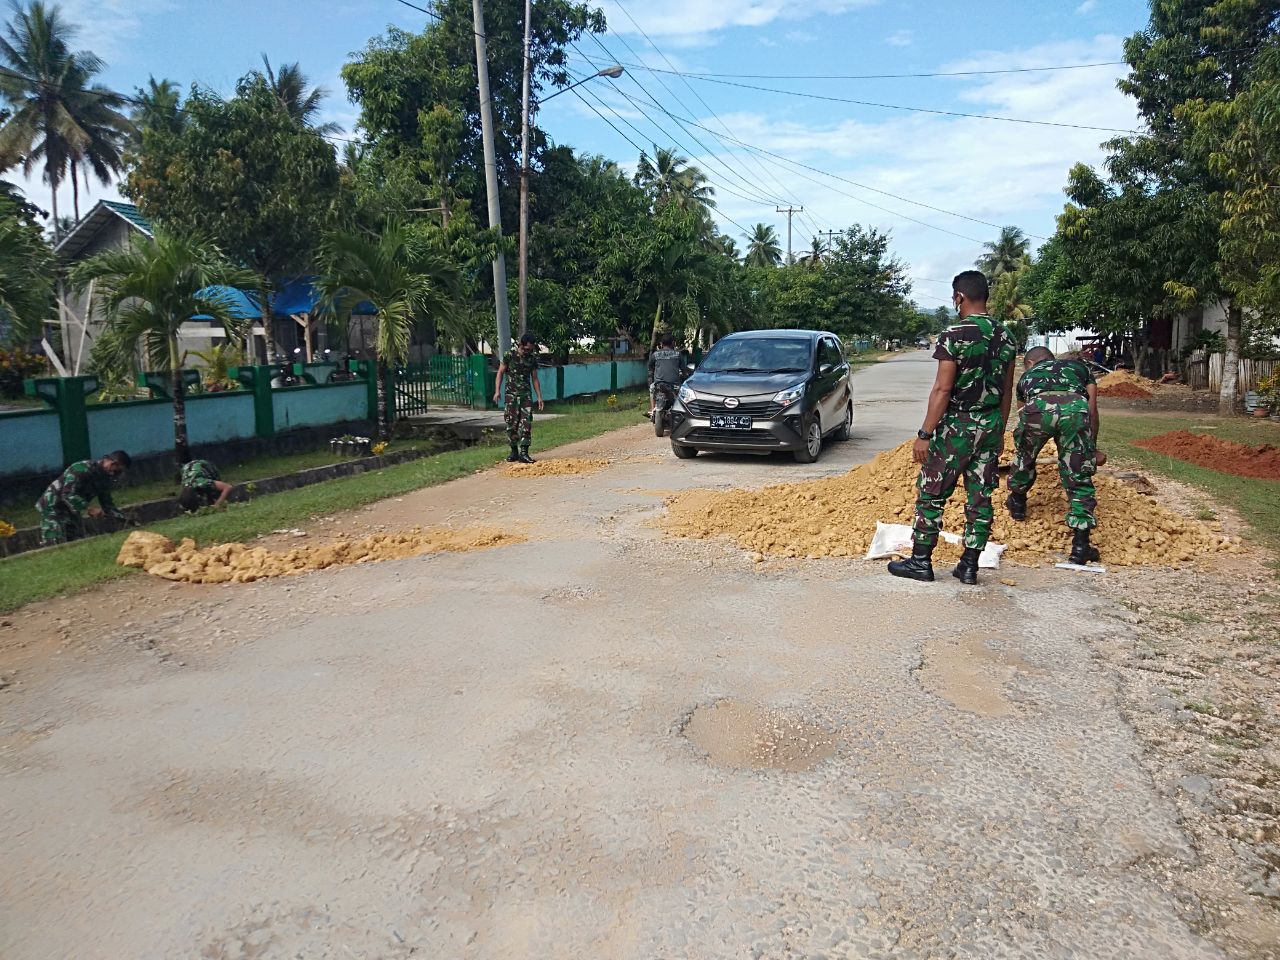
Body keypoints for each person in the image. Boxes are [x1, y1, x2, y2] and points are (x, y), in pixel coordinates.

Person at [888, 271, 1016, 585]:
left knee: (932, 492)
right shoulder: (1006, 336)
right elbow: (1007, 391)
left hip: (957, 426)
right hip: (990, 424)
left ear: (959, 297)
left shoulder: (954, 334)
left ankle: (921, 562)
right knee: (980, 497)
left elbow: (943, 389)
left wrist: (925, 433)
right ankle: (969, 566)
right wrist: (999, 432)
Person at [1006, 347, 1106, 564]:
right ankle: (1080, 546)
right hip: (1075, 409)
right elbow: (1092, 410)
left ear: (1030, 363)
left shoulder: (1026, 377)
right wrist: (1091, 448)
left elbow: (1022, 414)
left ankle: (1018, 503)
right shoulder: (1080, 368)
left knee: (1025, 457)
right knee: (1077, 472)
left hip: (1037, 408)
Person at [35, 450, 132, 546]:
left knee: (74, 541)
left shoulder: (105, 478)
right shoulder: (81, 469)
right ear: (112, 463)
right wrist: (89, 508)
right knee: (54, 542)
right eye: (118, 471)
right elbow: (68, 494)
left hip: (71, 510)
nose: (116, 474)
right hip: (52, 506)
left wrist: (127, 520)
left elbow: (107, 504)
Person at [493, 332, 545, 463]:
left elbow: (534, 378)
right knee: (511, 423)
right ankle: (514, 451)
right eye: (527, 349)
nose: (528, 351)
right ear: (521, 344)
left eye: (531, 349)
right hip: (511, 396)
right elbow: (500, 372)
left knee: (526, 423)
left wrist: (539, 397)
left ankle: (524, 453)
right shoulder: (509, 355)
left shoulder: (531, 359)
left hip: (525, 396)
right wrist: (497, 391)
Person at [647, 332, 685, 418]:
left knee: (652, 389)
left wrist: (650, 381)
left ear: (661, 344)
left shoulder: (655, 355)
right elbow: (684, 371)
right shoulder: (678, 354)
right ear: (673, 343)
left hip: (658, 385)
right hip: (674, 386)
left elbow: (650, 369)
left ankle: (652, 410)